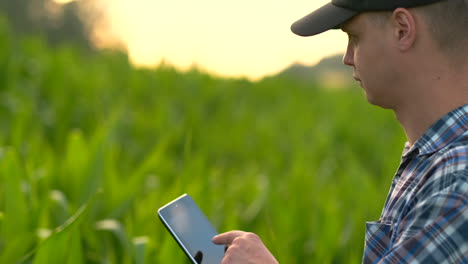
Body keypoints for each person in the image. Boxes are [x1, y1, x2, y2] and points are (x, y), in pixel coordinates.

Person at [212, 0, 468, 263]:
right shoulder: (433, 159)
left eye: (355, 37)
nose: (347, 58)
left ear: (402, 29)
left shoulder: (455, 182)